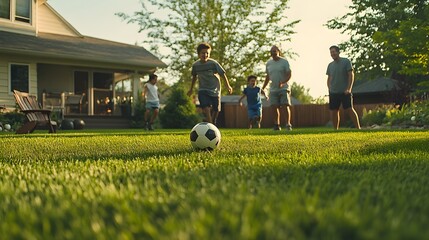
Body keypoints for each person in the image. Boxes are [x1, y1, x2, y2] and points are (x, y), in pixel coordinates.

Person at [187, 42, 233, 125]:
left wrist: (228, 86)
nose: (205, 55)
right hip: (203, 89)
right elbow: (194, 77)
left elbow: (223, 74)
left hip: (215, 90)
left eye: (207, 53)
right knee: (206, 107)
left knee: (216, 109)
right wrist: (191, 89)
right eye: (203, 53)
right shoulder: (196, 65)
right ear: (198, 54)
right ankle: (210, 124)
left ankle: (212, 121)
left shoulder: (213, 63)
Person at [326, 45, 361, 130]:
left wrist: (349, 88)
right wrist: (329, 89)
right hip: (334, 92)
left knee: (349, 109)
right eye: (331, 52)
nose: (332, 54)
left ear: (338, 52)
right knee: (334, 111)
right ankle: (335, 130)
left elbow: (351, 75)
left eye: (334, 52)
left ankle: (358, 128)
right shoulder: (330, 65)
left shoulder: (346, 62)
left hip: (345, 91)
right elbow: (329, 78)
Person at [262, 45, 293, 131]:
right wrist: (263, 87)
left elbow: (289, 74)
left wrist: (283, 82)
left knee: (284, 105)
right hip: (273, 89)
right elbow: (268, 76)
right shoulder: (268, 63)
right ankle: (276, 125)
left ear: (278, 52)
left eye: (275, 51)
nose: (273, 53)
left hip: (284, 88)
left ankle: (288, 124)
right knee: (273, 106)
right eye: (272, 52)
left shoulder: (284, 62)